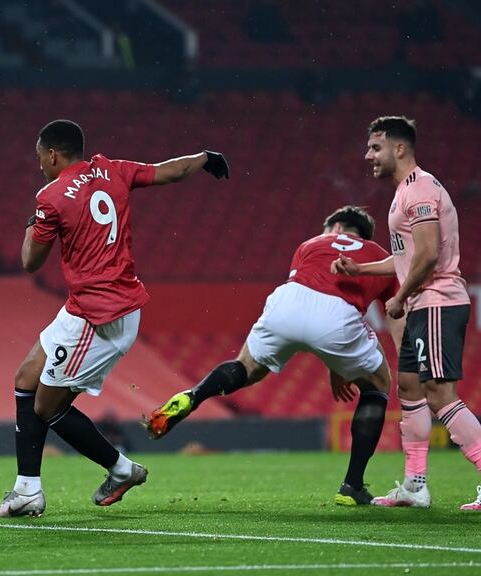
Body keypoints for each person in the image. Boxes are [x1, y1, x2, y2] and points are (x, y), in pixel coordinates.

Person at [0, 119, 231, 518]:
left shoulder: (52, 197)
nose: (39, 165)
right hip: (91, 305)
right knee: (26, 378)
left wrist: (34, 221)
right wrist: (204, 158)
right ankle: (27, 489)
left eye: (39, 158)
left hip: (100, 316)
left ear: (52, 154)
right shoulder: (110, 168)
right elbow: (169, 170)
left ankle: (121, 469)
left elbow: (30, 261)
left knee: (46, 408)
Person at [144, 206, 400, 506]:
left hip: (288, 300)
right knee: (378, 384)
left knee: (247, 366)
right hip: (338, 317)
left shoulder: (309, 245)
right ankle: (352, 486)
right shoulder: (381, 256)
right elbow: (383, 309)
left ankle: (193, 395)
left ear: (337, 227)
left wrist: (336, 363)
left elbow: (309, 307)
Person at [333, 116, 481, 511]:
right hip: (423, 302)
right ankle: (415, 486)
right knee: (411, 391)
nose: (369, 156)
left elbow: (429, 255)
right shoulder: (404, 192)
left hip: (436, 301)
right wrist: (360, 269)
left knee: (440, 394)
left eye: (375, 147)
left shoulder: (418, 192)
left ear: (400, 148)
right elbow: (406, 259)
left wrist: (400, 298)